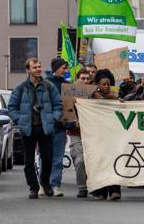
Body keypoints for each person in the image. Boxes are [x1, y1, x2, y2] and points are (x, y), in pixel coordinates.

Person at [7, 58, 62, 199]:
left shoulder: (49, 86)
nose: (38, 69)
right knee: (29, 161)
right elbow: (12, 108)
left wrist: (53, 119)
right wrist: (20, 120)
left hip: (45, 128)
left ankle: (45, 184)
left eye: (39, 66)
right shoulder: (20, 87)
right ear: (28, 70)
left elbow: (58, 105)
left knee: (48, 159)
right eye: (35, 67)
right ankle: (33, 187)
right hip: (28, 129)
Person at [90, 69, 122, 201]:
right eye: (103, 84)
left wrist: (116, 100)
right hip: (98, 135)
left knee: (113, 162)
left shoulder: (115, 97)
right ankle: (101, 191)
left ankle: (115, 191)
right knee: (100, 162)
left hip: (112, 135)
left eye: (108, 84)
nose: (106, 86)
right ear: (98, 84)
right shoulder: (92, 97)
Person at [45, 57, 69, 197]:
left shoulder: (66, 85)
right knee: (45, 157)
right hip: (47, 126)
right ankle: (44, 184)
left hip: (60, 126)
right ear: (56, 69)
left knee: (58, 158)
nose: (65, 71)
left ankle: (55, 185)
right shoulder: (45, 84)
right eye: (63, 68)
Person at [68, 69, 91, 198]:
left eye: (87, 79)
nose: (85, 81)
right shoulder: (69, 93)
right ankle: (82, 187)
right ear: (77, 79)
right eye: (82, 78)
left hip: (92, 133)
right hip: (76, 132)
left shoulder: (94, 94)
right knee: (80, 160)